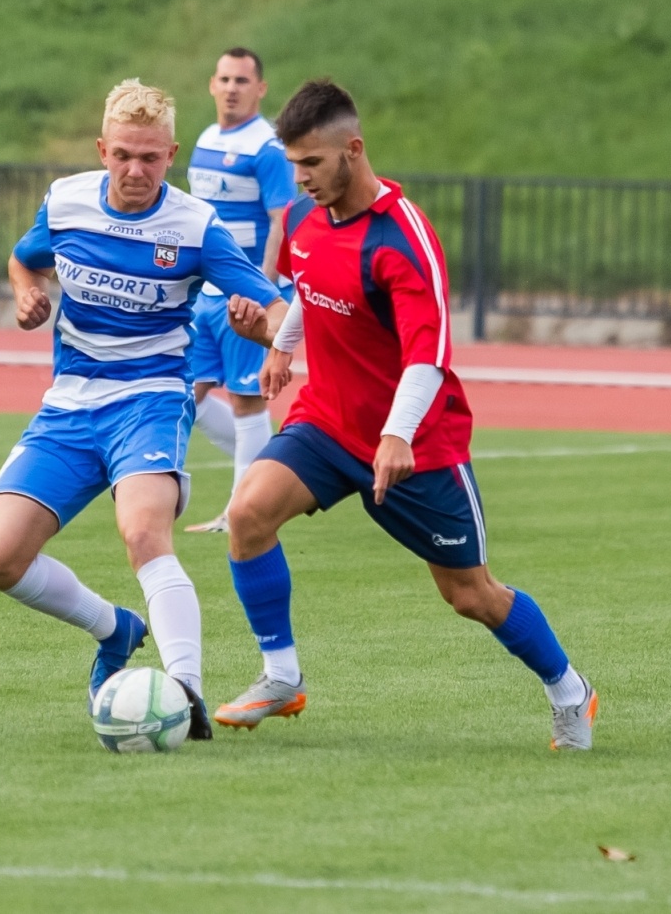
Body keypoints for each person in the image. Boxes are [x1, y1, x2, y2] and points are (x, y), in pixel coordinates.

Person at [218, 80, 597, 750]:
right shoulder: (305, 221)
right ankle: (281, 676)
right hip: (328, 422)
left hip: (417, 441)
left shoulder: (402, 238)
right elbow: (310, 288)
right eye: (292, 162)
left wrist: (396, 434)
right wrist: (280, 346)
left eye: (310, 162)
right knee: (248, 513)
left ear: (352, 150)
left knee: (471, 594)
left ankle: (570, 690)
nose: (297, 177)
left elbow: (429, 353)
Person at [0, 79, 285, 738]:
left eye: (149, 157)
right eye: (122, 155)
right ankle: (115, 629)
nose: (135, 170)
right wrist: (28, 294)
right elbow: (24, 260)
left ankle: (185, 692)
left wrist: (263, 331)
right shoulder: (67, 201)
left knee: (143, 530)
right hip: (69, 405)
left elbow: (276, 310)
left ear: (171, 154)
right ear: (101, 150)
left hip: (150, 400)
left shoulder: (196, 225)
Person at [182, 48, 296, 533]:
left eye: (242, 81)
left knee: (248, 400)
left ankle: (240, 511)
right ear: (212, 84)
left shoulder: (267, 146)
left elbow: (281, 220)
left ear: (260, 88)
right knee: (192, 391)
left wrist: (264, 289)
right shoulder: (207, 138)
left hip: (244, 292)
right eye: (225, 79)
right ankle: (269, 468)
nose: (232, 88)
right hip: (205, 293)